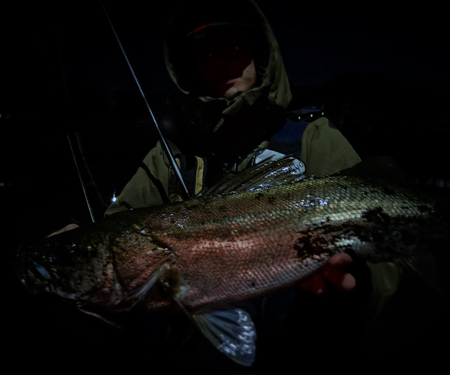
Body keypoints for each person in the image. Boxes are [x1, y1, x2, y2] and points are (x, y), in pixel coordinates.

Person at [55, 0, 404, 372]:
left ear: (262, 55)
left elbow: (392, 253)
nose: (220, 60)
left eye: (234, 46)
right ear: (190, 65)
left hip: (303, 354)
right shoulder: (168, 155)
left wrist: (361, 285)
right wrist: (81, 247)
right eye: (205, 50)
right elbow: (120, 233)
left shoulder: (315, 139)